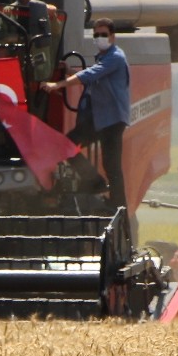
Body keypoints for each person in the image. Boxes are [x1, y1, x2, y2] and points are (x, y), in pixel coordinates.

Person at [42, 18, 129, 211]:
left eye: (103, 35)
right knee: (68, 145)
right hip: (99, 118)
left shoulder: (116, 57)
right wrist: (70, 72)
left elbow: (91, 75)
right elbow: (92, 77)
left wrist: (58, 84)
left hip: (112, 120)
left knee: (112, 164)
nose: (99, 38)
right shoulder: (103, 58)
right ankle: (93, 180)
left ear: (112, 37)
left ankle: (118, 205)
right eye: (96, 34)